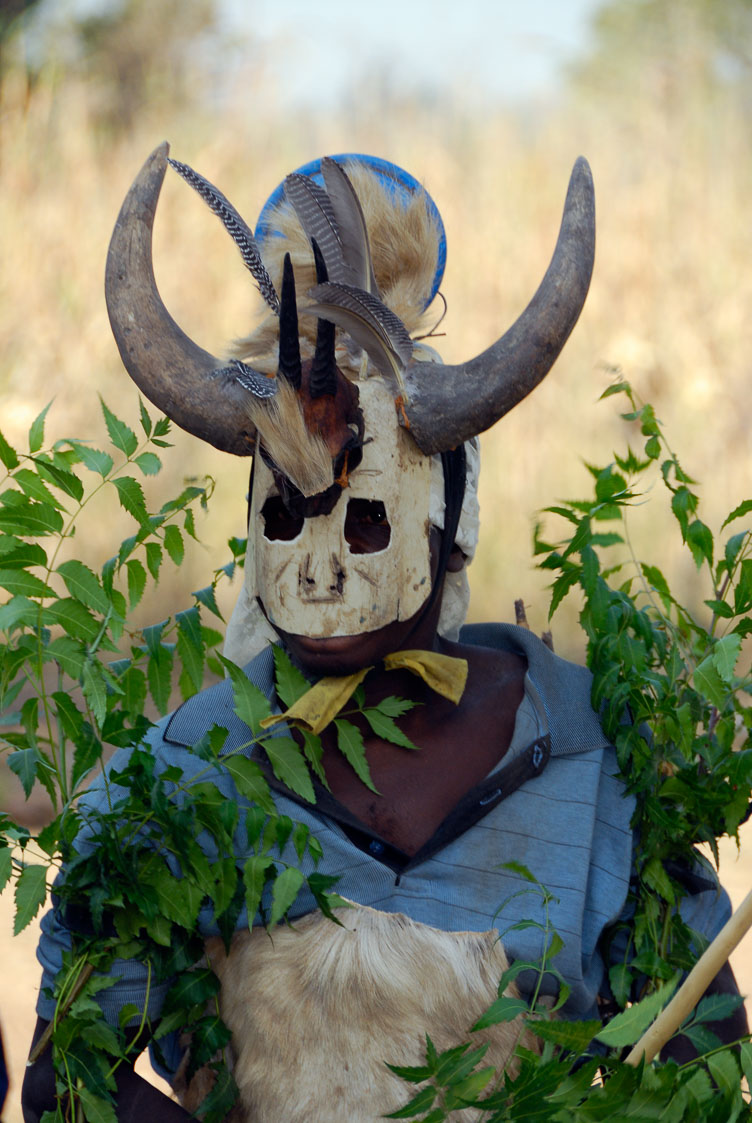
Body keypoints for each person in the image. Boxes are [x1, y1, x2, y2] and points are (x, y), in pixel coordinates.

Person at [23, 148, 747, 1122]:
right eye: (286, 516)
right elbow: (69, 1079)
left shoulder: (594, 765)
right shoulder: (182, 775)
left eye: (367, 520)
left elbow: (698, 1072)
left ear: (449, 518)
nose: (320, 566)